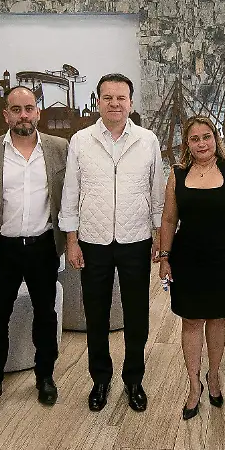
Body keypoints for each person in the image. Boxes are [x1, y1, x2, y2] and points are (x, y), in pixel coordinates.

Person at [60, 74, 165, 413]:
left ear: (131, 103)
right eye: (108, 98)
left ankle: (134, 379)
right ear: (98, 102)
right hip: (93, 240)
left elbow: (157, 192)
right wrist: (72, 241)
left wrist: (159, 236)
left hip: (136, 239)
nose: (115, 103)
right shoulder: (81, 140)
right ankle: (100, 379)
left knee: (137, 314)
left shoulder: (147, 140)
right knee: (96, 314)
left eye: (121, 98)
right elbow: (70, 192)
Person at [0, 85, 68, 418]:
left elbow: (69, 199)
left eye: (29, 108)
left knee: (46, 316)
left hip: (43, 247)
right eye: (16, 109)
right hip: (2, 250)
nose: (24, 115)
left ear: (38, 112)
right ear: (6, 114)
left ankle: (45, 377)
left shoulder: (59, 149)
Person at [158, 116, 225, 421]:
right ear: (187, 143)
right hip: (186, 258)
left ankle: (213, 375)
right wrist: (164, 257)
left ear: (216, 138)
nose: (201, 143)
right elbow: (169, 219)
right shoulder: (177, 174)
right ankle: (193, 384)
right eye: (195, 138)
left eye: (206, 137)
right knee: (191, 320)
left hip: (223, 256)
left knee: (216, 318)